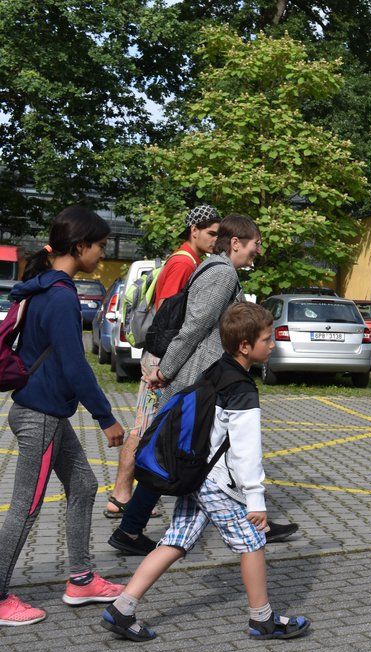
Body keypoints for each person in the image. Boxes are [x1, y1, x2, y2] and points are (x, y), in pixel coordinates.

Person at [101, 302, 310, 641]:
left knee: (175, 541)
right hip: (216, 482)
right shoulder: (241, 389)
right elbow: (246, 452)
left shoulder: (217, 369)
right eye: (268, 339)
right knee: (253, 541)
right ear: (245, 346)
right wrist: (256, 499)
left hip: (195, 473)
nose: (273, 345)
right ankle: (262, 619)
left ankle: (122, 608)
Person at [109, 214, 298, 556]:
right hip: (197, 378)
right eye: (254, 245)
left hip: (204, 377)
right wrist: (166, 371)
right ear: (236, 243)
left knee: (192, 454)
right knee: (187, 453)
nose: (257, 252)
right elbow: (193, 327)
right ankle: (133, 530)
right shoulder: (222, 273)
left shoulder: (218, 269)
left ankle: (132, 530)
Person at [0, 206, 126, 627]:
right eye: (101, 245)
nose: (102, 253)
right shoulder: (59, 296)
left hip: (44, 410)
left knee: (85, 485)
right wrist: (106, 417)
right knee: (27, 506)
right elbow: (76, 366)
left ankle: (82, 579)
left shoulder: (44, 288)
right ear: (80, 246)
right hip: (41, 415)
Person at [105, 204, 220, 519]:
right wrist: (168, 365)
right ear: (193, 231)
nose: (215, 240)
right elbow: (168, 315)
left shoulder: (190, 260)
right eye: (211, 233)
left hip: (161, 356)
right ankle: (121, 494)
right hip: (160, 356)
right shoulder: (183, 263)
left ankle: (126, 494)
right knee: (143, 427)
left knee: (148, 424)